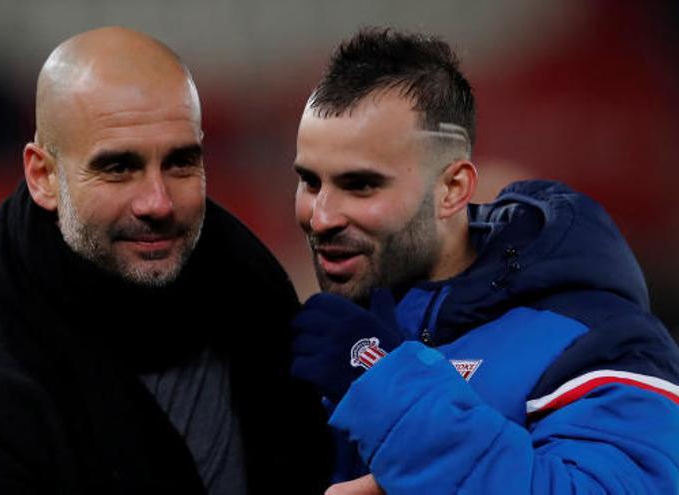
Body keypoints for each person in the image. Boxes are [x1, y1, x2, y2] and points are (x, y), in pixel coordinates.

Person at [0, 26, 332, 494]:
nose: (158, 202)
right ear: (43, 176)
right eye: (119, 168)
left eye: (181, 162)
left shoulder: (268, 324)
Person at [289, 27, 679, 494]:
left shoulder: (598, 342)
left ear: (453, 189)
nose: (321, 215)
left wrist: (386, 384)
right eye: (310, 182)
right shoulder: (344, 327)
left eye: (361, 185)